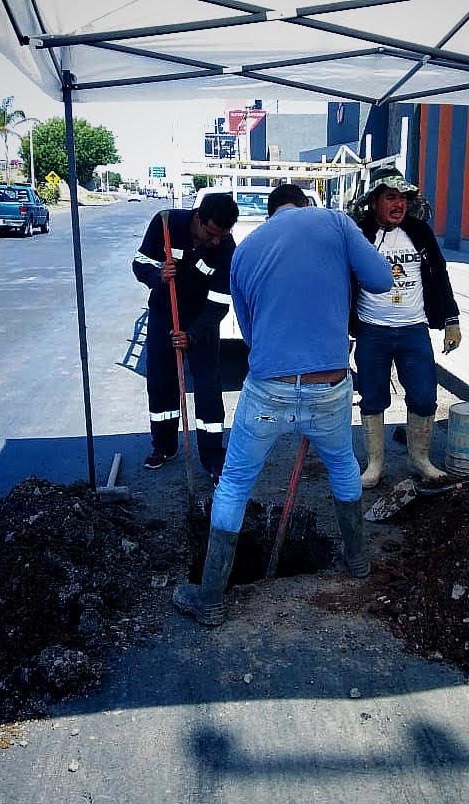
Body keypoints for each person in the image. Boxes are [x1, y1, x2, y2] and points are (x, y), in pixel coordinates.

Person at [173, 183, 393, 626]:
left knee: (234, 483)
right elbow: (382, 281)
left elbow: (250, 331)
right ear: (305, 204)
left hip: (269, 387)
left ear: (271, 212)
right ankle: (357, 561)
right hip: (328, 383)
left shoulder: (245, 251)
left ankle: (210, 598)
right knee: (343, 465)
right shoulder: (335, 223)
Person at [352, 167, 461, 487]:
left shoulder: (420, 232)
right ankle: (375, 464)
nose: (399, 204)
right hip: (372, 331)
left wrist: (451, 320)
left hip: (414, 331)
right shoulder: (359, 234)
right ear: (374, 201)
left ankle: (420, 460)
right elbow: (340, 278)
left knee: (425, 398)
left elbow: (439, 275)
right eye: (391, 197)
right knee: (372, 398)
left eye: (403, 198)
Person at [132, 193, 239, 483]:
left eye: (222, 234)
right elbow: (140, 262)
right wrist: (157, 274)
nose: (216, 241)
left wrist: (192, 335)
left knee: (207, 388)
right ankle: (163, 447)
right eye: (212, 233)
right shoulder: (166, 223)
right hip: (164, 315)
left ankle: (213, 457)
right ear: (198, 218)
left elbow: (219, 303)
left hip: (201, 321)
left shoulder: (226, 247)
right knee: (160, 382)